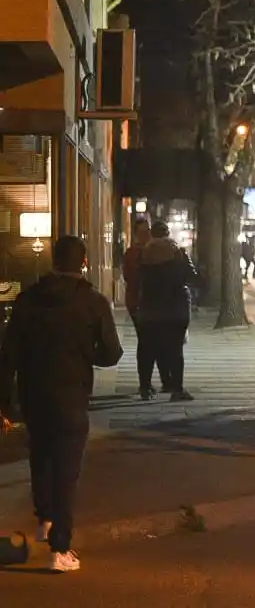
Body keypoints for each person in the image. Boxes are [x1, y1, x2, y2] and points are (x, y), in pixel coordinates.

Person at [0, 235, 124, 573]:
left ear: (53, 261)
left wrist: (5, 401)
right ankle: (60, 549)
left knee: (40, 456)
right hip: (71, 393)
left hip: (33, 393)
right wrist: (87, 354)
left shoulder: (28, 299)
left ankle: (45, 519)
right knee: (67, 471)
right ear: (83, 263)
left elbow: (8, 352)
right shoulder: (93, 302)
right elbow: (112, 353)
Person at [138, 221, 198, 402]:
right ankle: (177, 389)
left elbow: (136, 278)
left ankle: (145, 388)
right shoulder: (178, 252)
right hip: (175, 307)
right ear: (167, 233)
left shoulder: (145, 253)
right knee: (175, 349)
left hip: (150, 307)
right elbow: (192, 276)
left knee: (147, 348)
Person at [122, 218, 167, 400]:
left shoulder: (152, 252)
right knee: (147, 342)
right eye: (142, 232)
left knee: (149, 342)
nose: (146, 235)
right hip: (139, 303)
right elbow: (131, 278)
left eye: (147, 231)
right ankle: (145, 385)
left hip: (148, 303)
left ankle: (149, 383)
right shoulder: (135, 253)